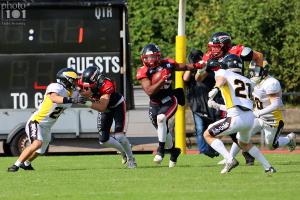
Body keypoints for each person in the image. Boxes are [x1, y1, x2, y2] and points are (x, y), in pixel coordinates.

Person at [204, 54, 275, 174]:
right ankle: (268, 167)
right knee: (244, 144)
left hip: (236, 117)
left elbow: (221, 80)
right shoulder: (247, 81)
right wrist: (218, 106)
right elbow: (240, 102)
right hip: (249, 118)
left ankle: (229, 159)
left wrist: (215, 89)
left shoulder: (223, 73)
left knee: (207, 134)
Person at [136, 43, 203, 168]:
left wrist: (197, 65)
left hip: (169, 100)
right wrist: (162, 80)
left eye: (152, 57)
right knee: (163, 131)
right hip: (154, 103)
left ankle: (160, 151)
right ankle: (174, 151)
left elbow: (183, 66)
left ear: (158, 56)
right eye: (147, 57)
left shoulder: (168, 63)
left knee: (161, 119)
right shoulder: (143, 71)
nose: (149, 60)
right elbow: (149, 91)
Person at [8, 68, 82, 172]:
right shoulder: (56, 87)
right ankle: (15, 165)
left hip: (47, 126)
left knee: (41, 150)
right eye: (73, 80)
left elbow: (83, 98)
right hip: (37, 122)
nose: (75, 82)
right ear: (66, 79)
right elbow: (54, 98)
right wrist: (73, 99)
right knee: (37, 143)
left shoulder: (72, 92)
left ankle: (26, 163)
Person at [223, 59, 297, 160]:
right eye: (252, 70)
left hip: (272, 119)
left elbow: (276, 104)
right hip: (258, 116)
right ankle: (229, 158)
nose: (253, 73)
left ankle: (289, 139)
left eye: (256, 70)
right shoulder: (253, 82)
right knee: (241, 135)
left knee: (271, 146)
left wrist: (258, 113)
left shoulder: (271, 82)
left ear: (264, 70)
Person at [77, 66, 137, 169]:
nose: (86, 87)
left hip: (116, 105)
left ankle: (131, 159)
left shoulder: (107, 85)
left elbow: (102, 107)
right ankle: (123, 151)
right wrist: (78, 94)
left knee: (119, 136)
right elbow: (79, 89)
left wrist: (86, 102)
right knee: (103, 141)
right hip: (106, 109)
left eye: (89, 86)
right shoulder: (83, 81)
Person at [182, 49, 220, 158]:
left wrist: (203, 66)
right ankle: (203, 150)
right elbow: (185, 78)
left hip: (209, 104)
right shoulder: (189, 72)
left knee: (211, 128)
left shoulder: (207, 70)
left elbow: (208, 77)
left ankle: (212, 149)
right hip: (196, 105)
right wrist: (192, 66)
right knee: (200, 128)